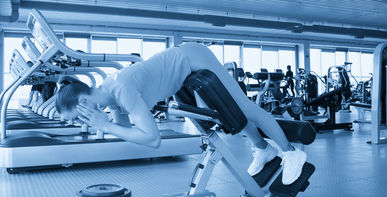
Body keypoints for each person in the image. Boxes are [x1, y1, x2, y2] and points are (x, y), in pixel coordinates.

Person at [55, 43, 306, 185]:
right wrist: (109, 123)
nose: (81, 123)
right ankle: (263, 148)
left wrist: (108, 126)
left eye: (77, 116)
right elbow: (128, 131)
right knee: (225, 115)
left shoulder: (121, 88)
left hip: (192, 57)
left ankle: (291, 153)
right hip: (182, 74)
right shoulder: (109, 97)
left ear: (85, 99)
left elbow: (153, 140)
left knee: (243, 107)